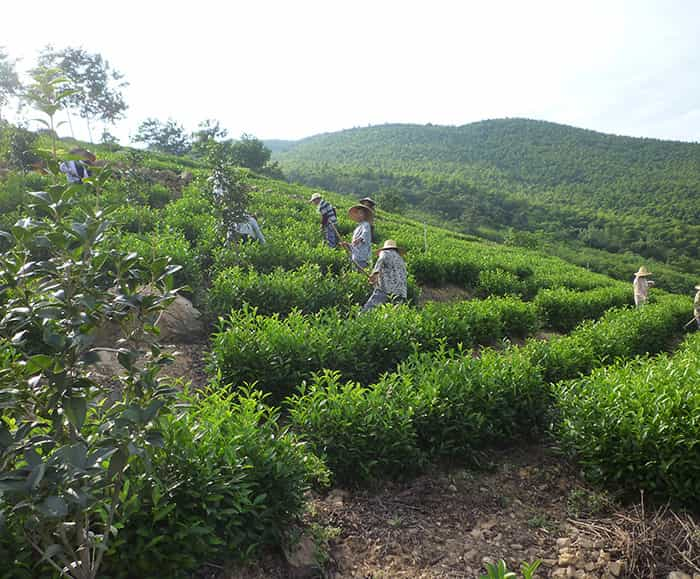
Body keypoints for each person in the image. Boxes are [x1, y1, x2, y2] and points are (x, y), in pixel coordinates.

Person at [362, 239, 407, 312]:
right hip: (401, 291)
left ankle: (359, 320)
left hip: (386, 288)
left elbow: (380, 263)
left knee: (369, 308)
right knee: (395, 314)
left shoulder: (384, 253)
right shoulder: (400, 259)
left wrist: (374, 276)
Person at [341, 204, 373, 269]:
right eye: (357, 213)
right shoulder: (357, 227)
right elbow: (355, 244)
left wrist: (359, 239)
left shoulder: (366, 224)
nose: (359, 215)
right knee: (355, 274)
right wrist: (347, 245)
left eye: (361, 213)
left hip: (362, 257)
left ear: (364, 215)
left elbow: (365, 233)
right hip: (355, 256)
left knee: (361, 274)